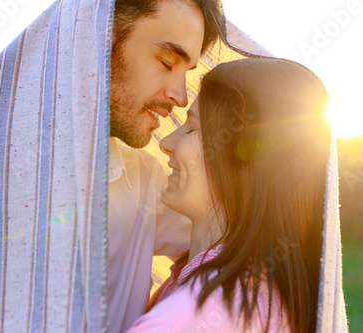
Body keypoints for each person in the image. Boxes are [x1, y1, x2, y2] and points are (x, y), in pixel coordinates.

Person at [127, 58, 332, 332]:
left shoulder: (197, 315)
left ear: (247, 159)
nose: (166, 143)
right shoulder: (261, 288)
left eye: (192, 129)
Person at [106, 0, 225, 332]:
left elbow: (240, 234)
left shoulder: (145, 184)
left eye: (186, 73)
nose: (180, 96)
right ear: (100, 42)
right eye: (167, 62)